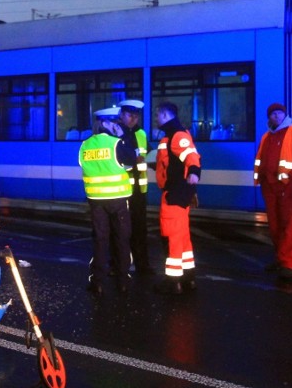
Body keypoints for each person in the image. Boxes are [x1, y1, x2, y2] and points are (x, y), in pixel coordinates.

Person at [79, 107, 136, 296]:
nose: (117, 126)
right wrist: (124, 136)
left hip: (96, 201)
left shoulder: (85, 145)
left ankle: (98, 282)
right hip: (118, 200)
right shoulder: (116, 144)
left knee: (100, 241)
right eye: (114, 122)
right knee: (122, 240)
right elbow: (131, 161)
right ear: (105, 123)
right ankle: (123, 281)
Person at [253, 103, 292, 280]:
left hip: (287, 186)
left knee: (289, 224)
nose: (276, 116)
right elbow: (260, 158)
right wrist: (261, 178)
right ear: (269, 117)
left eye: (279, 113)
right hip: (269, 186)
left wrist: (291, 178)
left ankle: (288, 263)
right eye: (273, 114)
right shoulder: (266, 136)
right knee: (275, 225)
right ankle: (281, 258)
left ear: (285, 115)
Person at [154, 101, 201, 295]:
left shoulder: (177, 135)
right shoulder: (172, 135)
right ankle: (188, 278)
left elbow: (191, 156)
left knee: (171, 237)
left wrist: (194, 171)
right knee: (182, 238)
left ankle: (173, 283)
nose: (156, 119)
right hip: (179, 193)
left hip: (174, 194)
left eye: (157, 115)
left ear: (165, 116)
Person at [116, 99, 154, 275]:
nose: (134, 119)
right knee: (121, 231)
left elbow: (149, 154)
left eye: (136, 116)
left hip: (139, 191)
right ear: (122, 115)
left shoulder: (141, 134)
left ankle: (142, 265)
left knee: (140, 230)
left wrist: (159, 160)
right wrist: (133, 160)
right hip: (122, 192)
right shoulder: (115, 134)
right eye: (130, 115)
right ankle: (119, 266)